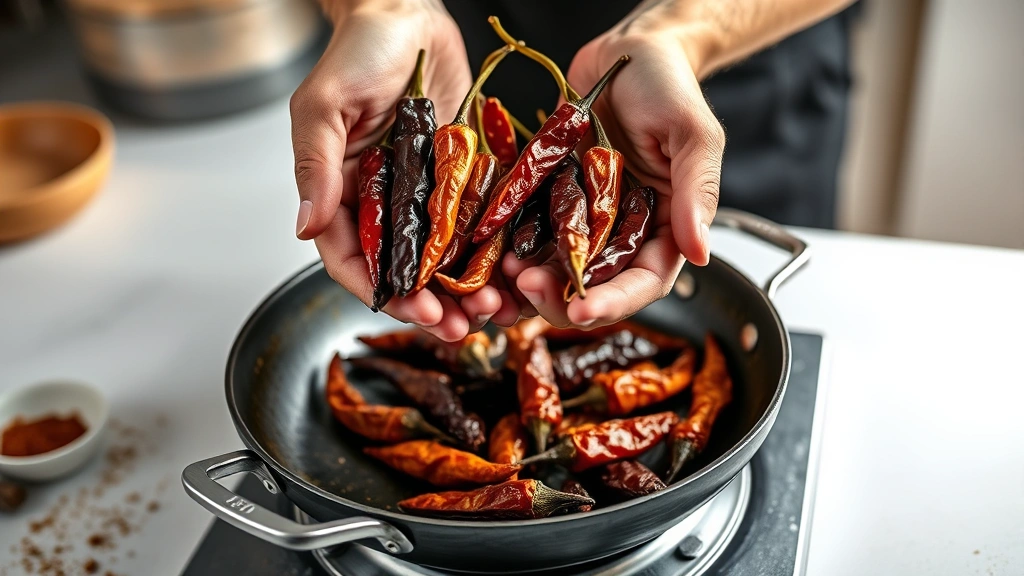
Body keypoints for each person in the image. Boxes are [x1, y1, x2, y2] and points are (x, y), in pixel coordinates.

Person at [290, 0, 858, 341]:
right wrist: (382, 9)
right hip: (451, 38)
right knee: (497, 218)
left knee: (760, 297)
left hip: (732, 55)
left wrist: (677, 35)